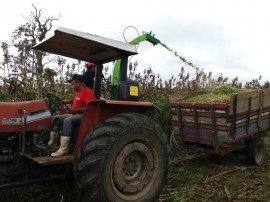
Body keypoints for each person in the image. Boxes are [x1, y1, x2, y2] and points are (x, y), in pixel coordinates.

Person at [48, 74, 96, 157]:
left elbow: (90, 108)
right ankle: (53, 143)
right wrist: (68, 101)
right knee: (56, 118)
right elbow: (78, 101)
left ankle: (64, 149)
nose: (71, 86)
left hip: (84, 116)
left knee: (68, 121)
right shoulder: (79, 92)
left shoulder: (88, 92)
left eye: (72, 84)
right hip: (74, 114)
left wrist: (74, 110)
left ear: (78, 83)